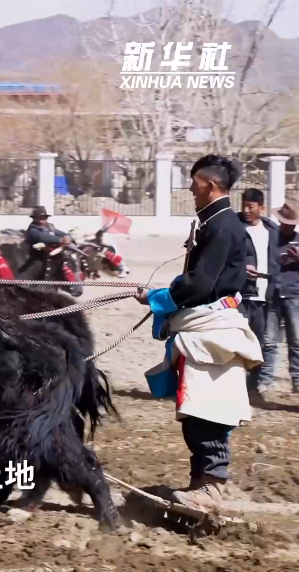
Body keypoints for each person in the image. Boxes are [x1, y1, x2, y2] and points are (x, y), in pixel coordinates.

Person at [138, 154, 263, 512]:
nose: (190, 190)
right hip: (204, 328)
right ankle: (199, 485)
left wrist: (159, 297)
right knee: (195, 410)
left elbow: (201, 284)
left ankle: (210, 488)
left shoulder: (223, 225)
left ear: (208, 185)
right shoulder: (217, 223)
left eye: (194, 184)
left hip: (213, 331)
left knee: (208, 410)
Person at [238, 188, 279, 393]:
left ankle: (253, 385)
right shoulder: (235, 229)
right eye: (244, 205)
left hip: (265, 295)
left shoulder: (272, 231)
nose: (246, 210)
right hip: (241, 295)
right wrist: (242, 269)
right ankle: (236, 383)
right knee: (238, 340)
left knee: (260, 343)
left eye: (250, 206)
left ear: (261, 208)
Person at [256, 203, 299, 395]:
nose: (288, 226)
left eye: (291, 223)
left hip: (294, 295)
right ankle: (265, 380)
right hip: (274, 293)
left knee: (296, 341)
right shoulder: (272, 238)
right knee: (269, 341)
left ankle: (297, 380)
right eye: (285, 223)